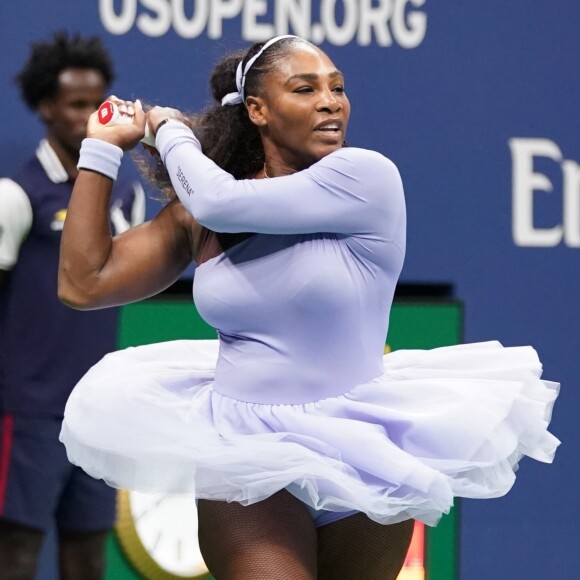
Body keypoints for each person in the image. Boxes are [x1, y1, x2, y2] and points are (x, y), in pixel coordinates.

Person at [57, 35, 560, 580]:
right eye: (306, 88)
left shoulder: (366, 177)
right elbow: (84, 283)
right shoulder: (200, 214)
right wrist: (102, 149)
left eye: (338, 87)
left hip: (361, 454)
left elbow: (219, 201)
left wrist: (169, 128)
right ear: (258, 110)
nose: (331, 101)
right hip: (245, 453)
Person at [0, 32, 145, 579]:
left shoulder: (123, 192)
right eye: (77, 105)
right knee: (16, 550)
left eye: (98, 103)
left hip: (95, 411)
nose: (90, 116)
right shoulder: (17, 195)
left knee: (87, 554)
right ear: (45, 107)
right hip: (26, 410)